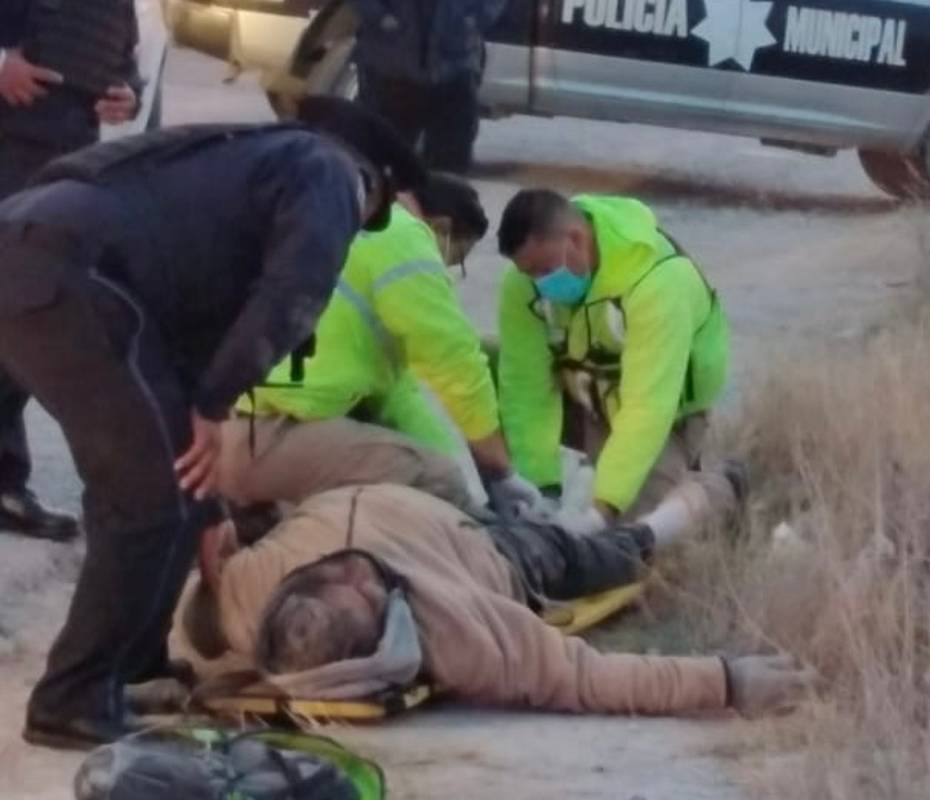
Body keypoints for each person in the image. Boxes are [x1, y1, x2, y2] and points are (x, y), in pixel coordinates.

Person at [0, 96, 426, 750]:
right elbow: (293, 295)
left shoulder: (237, 162)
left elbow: (184, 350)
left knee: (175, 479)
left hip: (35, 248)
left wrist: (210, 504)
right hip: (74, 273)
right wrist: (217, 404)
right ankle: (71, 700)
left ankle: (133, 667)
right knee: (145, 500)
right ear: (378, 185)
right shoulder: (330, 172)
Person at [180, 470, 808, 718]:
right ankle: (700, 501)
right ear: (383, 639)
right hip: (493, 550)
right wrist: (726, 681)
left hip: (415, 492)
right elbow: (588, 677)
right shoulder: (462, 635)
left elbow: (180, 606)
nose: (351, 571)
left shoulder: (243, 599)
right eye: (364, 594)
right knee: (601, 554)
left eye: (327, 577)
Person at [218, 173, 544, 518]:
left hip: (229, 424)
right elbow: (455, 362)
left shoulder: (335, 226)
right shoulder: (400, 234)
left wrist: (458, 474)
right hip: (268, 433)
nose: (445, 270)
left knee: (415, 463)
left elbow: (399, 397)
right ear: (441, 228)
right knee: (436, 483)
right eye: (454, 259)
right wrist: (498, 473)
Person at [496, 190, 729, 535]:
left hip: (664, 413)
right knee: (484, 374)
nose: (540, 284)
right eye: (529, 273)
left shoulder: (657, 282)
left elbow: (646, 408)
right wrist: (540, 489)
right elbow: (524, 389)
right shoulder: (525, 283)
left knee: (634, 530)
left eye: (545, 270)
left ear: (577, 239)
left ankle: (723, 487)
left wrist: (602, 510)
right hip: (590, 398)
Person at [0, 0, 142, 540]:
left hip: (66, 162)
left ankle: (4, 480)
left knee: (26, 318)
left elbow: (120, 52)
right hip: (9, 145)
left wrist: (127, 93)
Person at [349, 0, 509, 173]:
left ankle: (442, 185)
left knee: (451, 163)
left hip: (454, 62)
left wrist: (476, 18)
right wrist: (379, 16)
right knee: (384, 161)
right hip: (390, 65)